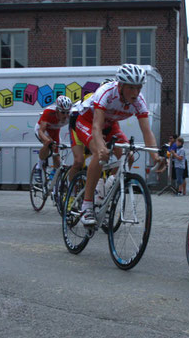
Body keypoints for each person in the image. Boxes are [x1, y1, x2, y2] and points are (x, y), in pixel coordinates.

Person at [73, 64, 159, 226]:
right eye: (131, 88)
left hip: (110, 125)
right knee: (99, 154)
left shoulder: (139, 101)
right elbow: (96, 127)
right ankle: (87, 205)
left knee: (129, 156)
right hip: (87, 121)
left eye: (138, 88)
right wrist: (101, 147)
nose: (135, 93)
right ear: (120, 86)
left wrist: (155, 156)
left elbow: (147, 131)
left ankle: (106, 188)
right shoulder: (106, 93)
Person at [35, 95, 73, 171]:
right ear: (57, 110)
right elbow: (41, 131)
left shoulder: (71, 115)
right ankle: (38, 167)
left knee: (56, 157)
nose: (65, 115)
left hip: (55, 132)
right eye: (63, 112)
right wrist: (48, 141)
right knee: (49, 143)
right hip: (43, 130)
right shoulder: (49, 112)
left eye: (67, 112)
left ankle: (53, 177)